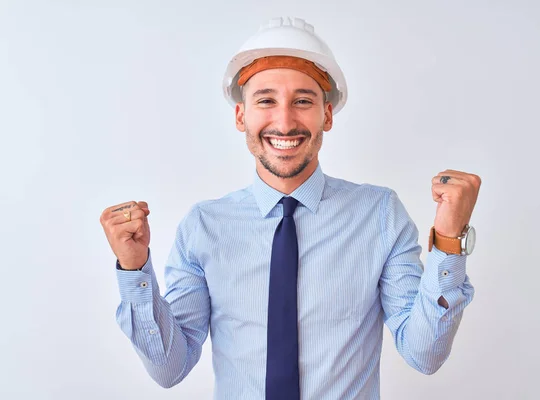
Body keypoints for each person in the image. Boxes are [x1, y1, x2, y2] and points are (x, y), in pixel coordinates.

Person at [99, 17, 481, 400]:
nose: (284, 122)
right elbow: (170, 368)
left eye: (303, 101)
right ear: (240, 115)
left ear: (326, 115)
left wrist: (449, 241)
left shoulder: (379, 214)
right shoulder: (204, 226)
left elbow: (424, 353)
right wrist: (134, 270)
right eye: (266, 100)